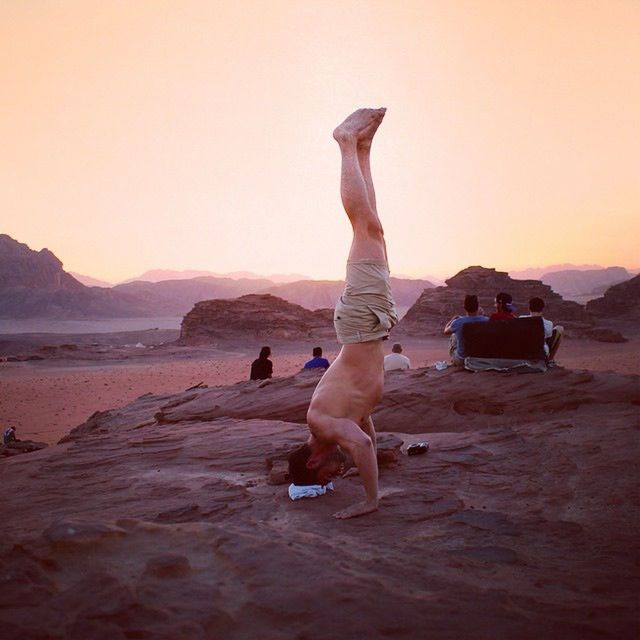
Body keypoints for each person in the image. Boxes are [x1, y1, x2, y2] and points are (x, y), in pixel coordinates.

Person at [289, 107, 398, 520]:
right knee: (374, 227)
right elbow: (366, 428)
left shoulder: (325, 425)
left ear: (313, 462)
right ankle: (363, 150)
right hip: (366, 324)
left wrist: (370, 503)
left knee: (363, 227)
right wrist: (358, 455)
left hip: (359, 323)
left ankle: (345, 142)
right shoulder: (338, 421)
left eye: (327, 476)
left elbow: (364, 445)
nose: (337, 474)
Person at [443, 294, 489, 365]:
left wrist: (452, 320)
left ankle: (454, 360)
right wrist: (482, 315)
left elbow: (445, 331)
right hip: (479, 358)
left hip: (461, 359)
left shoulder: (458, 321)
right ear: (478, 306)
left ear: (464, 307)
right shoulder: (486, 320)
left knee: (454, 336)